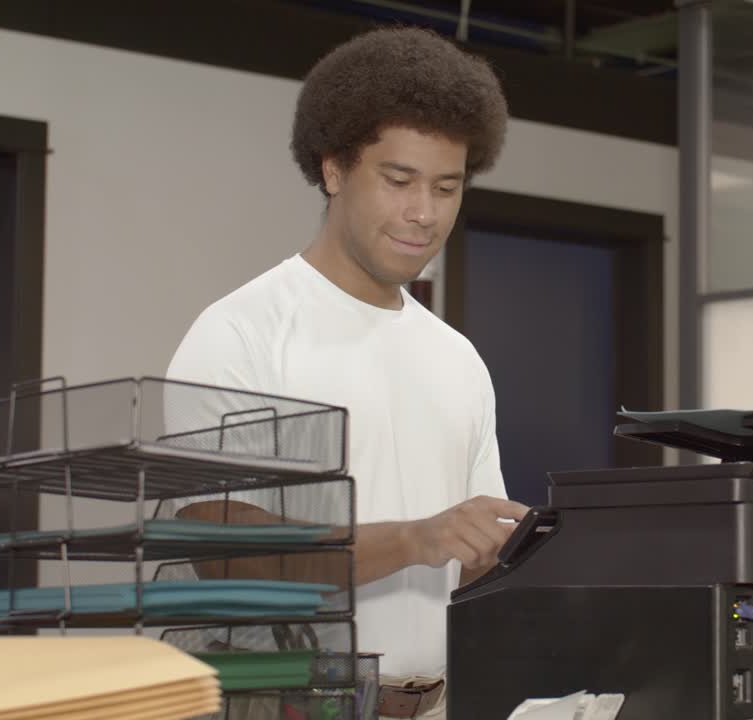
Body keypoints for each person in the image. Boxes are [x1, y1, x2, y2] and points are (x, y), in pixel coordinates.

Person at [165, 26, 526, 718]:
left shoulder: (458, 360)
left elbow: (474, 569)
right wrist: (416, 538)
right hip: (288, 704)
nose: (424, 213)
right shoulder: (242, 334)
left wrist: (502, 555)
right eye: (399, 181)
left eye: (446, 188)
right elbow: (227, 560)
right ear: (333, 170)